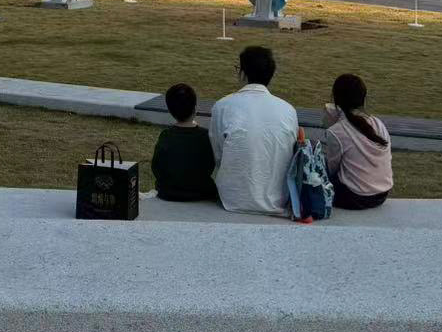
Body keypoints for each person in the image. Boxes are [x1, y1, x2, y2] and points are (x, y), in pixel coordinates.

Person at [209, 46, 298, 217]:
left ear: (242, 73)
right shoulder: (288, 110)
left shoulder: (223, 106)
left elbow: (218, 155)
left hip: (232, 199)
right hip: (278, 199)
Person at [315, 73, 393, 210]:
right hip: (382, 194)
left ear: (336, 99)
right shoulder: (378, 123)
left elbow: (331, 169)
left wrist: (331, 126)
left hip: (354, 197)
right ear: (363, 99)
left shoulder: (337, 131)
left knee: (313, 170)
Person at [151, 82, 217, 203]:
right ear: (195, 108)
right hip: (201, 193)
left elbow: (156, 167)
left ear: (170, 111)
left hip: (168, 193)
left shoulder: (166, 136)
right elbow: (212, 165)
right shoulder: (206, 136)